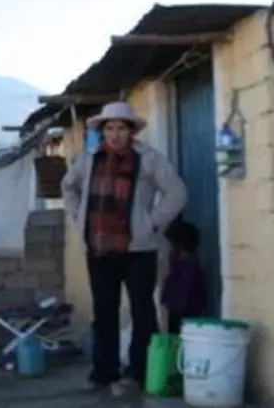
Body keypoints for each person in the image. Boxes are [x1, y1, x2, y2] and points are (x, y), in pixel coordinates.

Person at [61, 101, 186, 397]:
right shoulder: (89, 158)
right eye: (109, 128)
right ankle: (104, 373)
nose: (115, 135)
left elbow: (176, 193)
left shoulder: (149, 159)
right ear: (103, 131)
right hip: (98, 247)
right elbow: (69, 186)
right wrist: (78, 217)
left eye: (120, 128)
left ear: (131, 131)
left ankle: (137, 374)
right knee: (104, 311)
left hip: (138, 249)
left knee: (142, 310)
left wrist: (151, 222)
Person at [161, 218, 208, 334]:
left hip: (183, 311)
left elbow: (182, 291)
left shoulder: (186, 266)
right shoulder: (184, 264)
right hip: (184, 310)